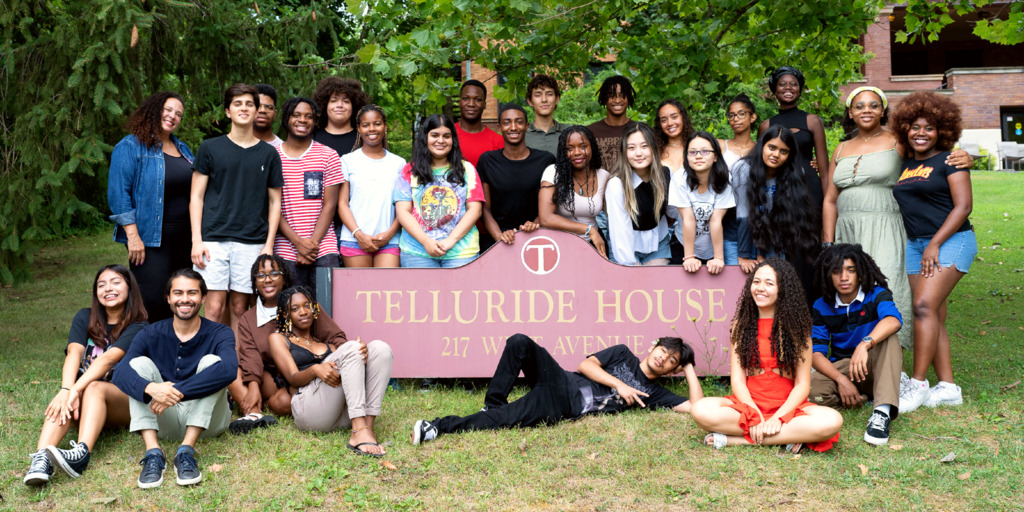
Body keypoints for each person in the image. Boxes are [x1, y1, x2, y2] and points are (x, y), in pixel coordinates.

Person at [822, 87, 973, 351]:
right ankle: (859, 354)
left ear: (883, 111)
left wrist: (964, 156)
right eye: (859, 106)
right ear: (850, 112)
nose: (866, 110)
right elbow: (830, 200)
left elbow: (933, 160)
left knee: (890, 285)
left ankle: (895, 357)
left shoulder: (899, 141)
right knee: (852, 288)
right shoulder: (840, 148)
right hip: (848, 229)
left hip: (886, 226)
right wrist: (828, 243)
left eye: (873, 105)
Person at [410, 333, 704, 444]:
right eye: (664, 350)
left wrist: (688, 367)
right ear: (653, 346)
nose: (664, 358)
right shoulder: (623, 353)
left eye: (672, 361)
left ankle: (436, 427)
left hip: (564, 406)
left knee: (505, 420)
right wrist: (620, 385)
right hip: (562, 379)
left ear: (672, 370)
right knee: (519, 342)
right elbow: (586, 365)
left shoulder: (654, 394)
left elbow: (696, 407)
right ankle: (493, 402)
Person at [690, 259, 843, 451]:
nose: (760, 288)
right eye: (756, 282)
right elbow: (737, 380)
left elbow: (802, 384)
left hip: (789, 408)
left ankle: (735, 440)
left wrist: (779, 417)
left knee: (832, 420)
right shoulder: (741, 326)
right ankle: (786, 438)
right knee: (700, 410)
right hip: (749, 404)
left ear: (783, 289)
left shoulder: (799, 331)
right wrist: (753, 414)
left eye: (769, 283)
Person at [24, 265, 148, 486]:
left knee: (93, 387)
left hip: (123, 401)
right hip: (84, 404)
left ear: (130, 288)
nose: (108, 288)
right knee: (69, 395)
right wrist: (66, 390)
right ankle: (41, 459)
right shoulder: (85, 317)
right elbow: (74, 353)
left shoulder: (139, 325)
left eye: (116, 282)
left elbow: (108, 359)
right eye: (101, 285)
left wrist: (74, 389)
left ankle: (81, 455)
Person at [891, 91, 976, 412]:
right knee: (934, 313)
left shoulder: (950, 160)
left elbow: (963, 207)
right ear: (905, 129)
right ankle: (949, 387)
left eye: (929, 128)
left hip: (951, 240)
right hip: (917, 245)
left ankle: (917, 384)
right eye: (915, 127)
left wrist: (935, 244)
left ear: (942, 130)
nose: (921, 133)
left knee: (923, 306)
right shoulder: (906, 163)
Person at [112, 269, 237, 488]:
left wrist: (175, 392)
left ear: (203, 298)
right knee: (138, 365)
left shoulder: (220, 332)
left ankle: (186, 451)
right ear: (168, 298)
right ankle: (153, 453)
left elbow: (229, 370)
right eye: (178, 293)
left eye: (192, 293)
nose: (185, 299)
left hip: (209, 422)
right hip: (164, 420)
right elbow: (120, 372)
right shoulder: (150, 333)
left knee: (213, 363)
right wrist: (151, 388)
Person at [189, 83, 283, 330]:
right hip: (213, 239)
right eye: (237, 104)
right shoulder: (209, 148)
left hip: (252, 240)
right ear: (228, 111)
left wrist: (269, 245)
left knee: (241, 308)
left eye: (249, 104)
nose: (244, 108)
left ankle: (238, 356)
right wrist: (197, 240)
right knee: (214, 307)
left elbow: (275, 202)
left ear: (256, 110)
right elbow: (196, 197)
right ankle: (211, 354)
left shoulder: (269, 154)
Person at [227, 256, 349, 433]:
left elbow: (335, 335)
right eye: (261, 275)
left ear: (284, 278)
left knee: (284, 403)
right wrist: (253, 386)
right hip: (271, 377)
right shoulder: (249, 318)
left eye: (274, 274)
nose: (267, 280)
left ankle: (271, 405)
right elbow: (250, 356)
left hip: (303, 370)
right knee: (233, 370)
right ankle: (254, 414)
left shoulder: (303, 304)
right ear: (254, 282)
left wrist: (348, 353)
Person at [268, 286, 393, 455]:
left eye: (307, 306)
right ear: (285, 314)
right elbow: (293, 378)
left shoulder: (329, 345)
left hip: (339, 412)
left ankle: (366, 428)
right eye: (295, 309)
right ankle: (359, 429)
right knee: (352, 348)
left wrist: (360, 353)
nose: (303, 312)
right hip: (309, 409)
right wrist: (315, 370)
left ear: (314, 309)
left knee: (380, 348)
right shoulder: (279, 339)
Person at [107, 92, 194, 322]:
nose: (173, 116)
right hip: (150, 240)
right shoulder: (131, 145)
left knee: (181, 300)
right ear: (154, 110)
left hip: (185, 240)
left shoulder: (183, 149)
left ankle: (178, 344)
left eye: (178, 114)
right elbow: (118, 194)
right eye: (168, 110)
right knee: (153, 301)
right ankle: (147, 344)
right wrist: (133, 236)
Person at [809, 244, 903, 446]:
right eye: (837, 271)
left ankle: (882, 412)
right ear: (829, 275)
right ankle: (863, 396)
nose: (844, 277)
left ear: (860, 273)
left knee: (890, 338)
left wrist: (864, 345)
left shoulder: (876, 294)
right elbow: (816, 354)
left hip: (873, 362)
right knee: (810, 389)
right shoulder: (821, 305)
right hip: (844, 367)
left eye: (850, 270)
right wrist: (841, 380)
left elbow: (893, 320)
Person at [733, 126, 820, 305]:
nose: (776, 155)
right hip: (743, 237)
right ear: (762, 146)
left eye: (783, 151)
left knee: (773, 291)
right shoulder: (744, 168)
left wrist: (765, 253)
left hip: (775, 240)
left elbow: (788, 218)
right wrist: (745, 255)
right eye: (772, 147)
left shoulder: (794, 173)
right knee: (742, 292)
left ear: (789, 155)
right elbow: (743, 214)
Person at [394, 114, 484, 268]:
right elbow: (402, 212)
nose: (441, 140)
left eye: (446, 136)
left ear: (453, 140)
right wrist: (426, 241)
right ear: (425, 138)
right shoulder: (409, 170)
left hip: (461, 252)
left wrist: (450, 240)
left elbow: (475, 210)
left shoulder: (467, 169)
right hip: (417, 252)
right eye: (434, 135)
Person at [273, 97, 342, 293]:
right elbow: (272, 206)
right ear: (286, 118)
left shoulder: (329, 155)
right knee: (289, 306)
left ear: (315, 121)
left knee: (328, 305)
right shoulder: (272, 156)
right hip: (285, 248)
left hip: (323, 246)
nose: (302, 120)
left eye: (308, 116)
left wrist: (311, 246)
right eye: (296, 115)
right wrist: (298, 243)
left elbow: (330, 205)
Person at [337, 104, 406, 268]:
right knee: (358, 285)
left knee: (387, 284)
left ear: (385, 126)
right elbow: (342, 204)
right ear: (359, 129)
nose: (372, 129)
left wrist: (389, 234)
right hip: (354, 239)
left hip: (390, 241)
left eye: (377, 124)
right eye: (366, 125)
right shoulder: (347, 161)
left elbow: (403, 206)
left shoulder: (399, 163)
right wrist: (358, 234)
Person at [478, 103, 555, 246]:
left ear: (526, 126)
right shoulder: (487, 161)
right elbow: (484, 209)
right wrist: (499, 237)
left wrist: (535, 224)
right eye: (507, 123)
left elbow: (552, 203)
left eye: (519, 122)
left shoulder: (545, 160)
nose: (513, 127)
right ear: (499, 127)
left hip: (536, 238)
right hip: (498, 240)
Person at [758, 66, 829, 216]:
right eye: (782, 84)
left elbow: (825, 173)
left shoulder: (813, 121)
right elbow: (760, 169)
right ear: (774, 90)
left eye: (793, 84)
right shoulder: (765, 126)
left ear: (800, 90)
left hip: (810, 191)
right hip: (777, 193)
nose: (788, 87)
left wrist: (829, 206)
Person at [605, 123, 673, 265]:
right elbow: (620, 231)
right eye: (631, 148)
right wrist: (630, 265)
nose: (638, 153)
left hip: (659, 243)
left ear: (653, 148)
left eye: (644, 146)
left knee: (657, 279)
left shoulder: (666, 175)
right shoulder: (617, 184)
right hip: (626, 247)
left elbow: (675, 213)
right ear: (624, 152)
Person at [538, 126, 610, 258]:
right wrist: (588, 229)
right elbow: (545, 218)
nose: (577, 152)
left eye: (583, 147)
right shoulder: (553, 172)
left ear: (592, 147)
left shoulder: (603, 176)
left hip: (593, 244)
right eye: (570, 149)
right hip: (560, 247)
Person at [669, 131, 736, 273]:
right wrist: (689, 257)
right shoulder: (679, 178)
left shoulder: (725, 179)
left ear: (715, 156)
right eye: (692, 152)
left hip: (713, 245)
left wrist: (718, 258)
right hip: (683, 244)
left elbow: (716, 220)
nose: (698, 156)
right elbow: (688, 219)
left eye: (705, 151)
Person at [586, 75, 638, 169]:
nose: (617, 100)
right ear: (604, 98)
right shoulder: (590, 132)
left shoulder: (639, 129)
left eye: (622, 95)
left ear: (629, 98)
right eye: (611, 96)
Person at [312, 76, 369, 158]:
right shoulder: (311, 138)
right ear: (324, 105)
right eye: (333, 101)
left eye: (346, 101)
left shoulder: (363, 139)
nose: (339, 105)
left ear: (354, 106)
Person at [453, 79, 503, 166]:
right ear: (459, 103)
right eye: (466, 99)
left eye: (478, 100)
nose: (471, 104)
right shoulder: (446, 135)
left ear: (484, 105)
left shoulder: (498, 141)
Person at [524, 74, 567, 157]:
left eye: (549, 94)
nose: (544, 99)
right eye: (538, 95)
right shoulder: (521, 135)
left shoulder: (569, 133)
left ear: (557, 99)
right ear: (530, 101)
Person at [718, 93, 758, 170]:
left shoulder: (760, 149)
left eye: (741, 114)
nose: (735, 119)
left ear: (753, 117)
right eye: (731, 115)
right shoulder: (721, 146)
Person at [653, 98, 695, 173]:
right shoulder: (654, 150)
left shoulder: (697, 145)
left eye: (674, 117)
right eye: (664, 120)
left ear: (683, 117)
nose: (670, 123)